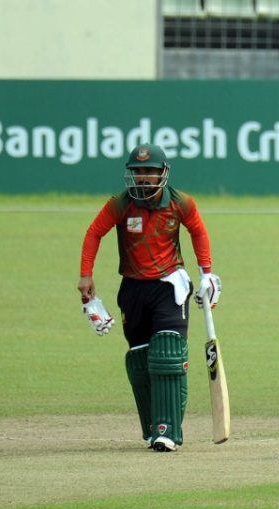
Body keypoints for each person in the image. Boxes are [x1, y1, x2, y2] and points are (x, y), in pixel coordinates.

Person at [78, 143, 221, 452]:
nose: (142, 177)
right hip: (132, 289)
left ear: (163, 173)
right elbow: (94, 233)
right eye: (137, 172)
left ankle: (168, 431)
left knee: (168, 353)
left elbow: (198, 231)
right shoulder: (121, 204)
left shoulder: (180, 203)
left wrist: (206, 273)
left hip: (169, 285)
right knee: (141, 360)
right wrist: (86, 275)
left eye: (149, 172)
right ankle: (152, 428)